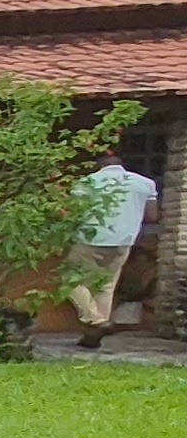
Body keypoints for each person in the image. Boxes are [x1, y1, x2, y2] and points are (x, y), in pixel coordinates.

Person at [66, 141, 158, 348]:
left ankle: (96, 320)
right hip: (123, 241)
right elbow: (153, 216)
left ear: (100, 165)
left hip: (90, 238)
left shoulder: (87, 182)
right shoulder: (145, 183)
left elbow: (74, 214)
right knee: (106, 284)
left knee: (69, 280)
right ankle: (93, 335)